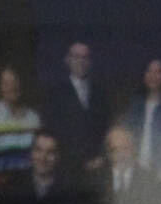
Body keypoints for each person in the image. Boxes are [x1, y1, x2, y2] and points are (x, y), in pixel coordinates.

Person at [42, 41, 111, 172]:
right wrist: (76, 164)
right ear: (67, 60)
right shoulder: (55, 94)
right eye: (76, 57)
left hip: (97, 166)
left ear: (90, 62)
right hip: (65, 167)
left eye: (85, 57)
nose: (81, 61)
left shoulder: (100, 94)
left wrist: (101, 158)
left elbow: (105, 128)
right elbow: (52, 131)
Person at [0, 66, 41, 188]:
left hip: (31, 188)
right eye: (7, 83)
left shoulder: (34, 118)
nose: (12, 87)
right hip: (2, 188)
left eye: (15, 81)